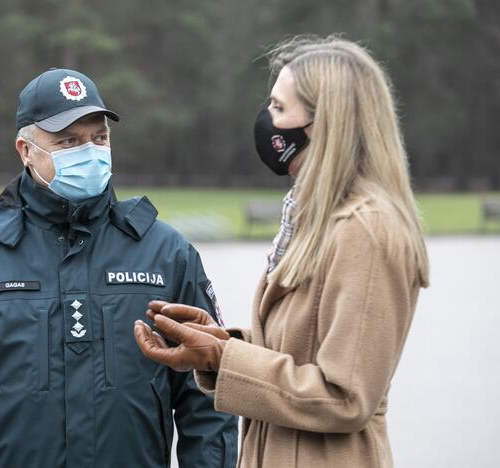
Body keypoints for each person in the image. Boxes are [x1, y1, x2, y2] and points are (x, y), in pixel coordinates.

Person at [0, 68, 238, 468]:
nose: (90, 151)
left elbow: (207, 398)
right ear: (26, 150)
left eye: (99, 138)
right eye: (68, 141)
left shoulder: (166, 254)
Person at [134, 36, 430, 468]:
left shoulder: (366, 229)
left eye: (278, 107)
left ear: (324, 122)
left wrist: (224, 358)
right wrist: (220, 342)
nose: (266, 120)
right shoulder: (315, 217)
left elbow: (345, 396)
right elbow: (305, 350)